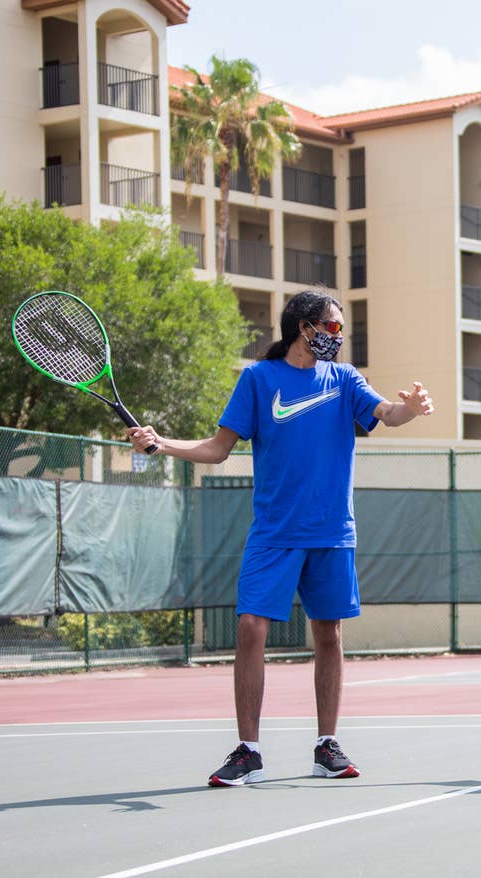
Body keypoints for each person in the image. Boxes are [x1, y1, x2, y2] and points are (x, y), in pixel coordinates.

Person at [126, 289, 434, 787]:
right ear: (303, 326)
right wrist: (162, 444)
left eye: (340, 329)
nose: (338, 336)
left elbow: (386, 414)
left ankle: (326, 746)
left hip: (333, 532)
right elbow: (217, 448)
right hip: (274, 533)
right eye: (332, 327)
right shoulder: (258, 379)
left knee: (329, 635)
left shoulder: (346, 379)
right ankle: (248, 751)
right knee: (251, 628)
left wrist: (412, 410)